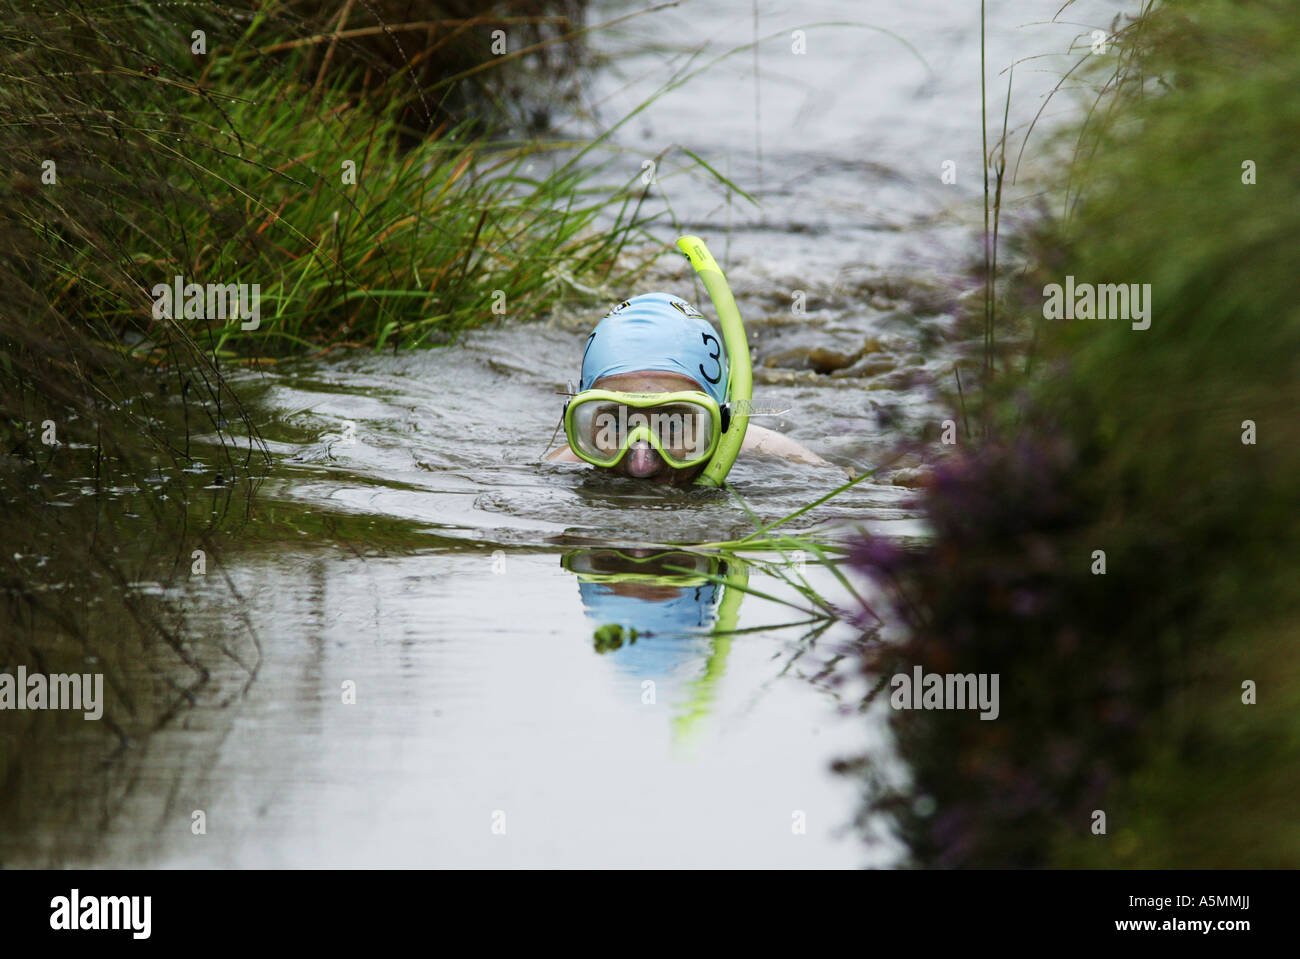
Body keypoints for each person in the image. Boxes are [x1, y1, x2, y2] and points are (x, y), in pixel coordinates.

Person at [546, 292, 832, 485]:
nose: (641, 464)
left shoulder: (776, 456)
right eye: (615, 424)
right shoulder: (562, 467)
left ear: (722, 421)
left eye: (673, 425)